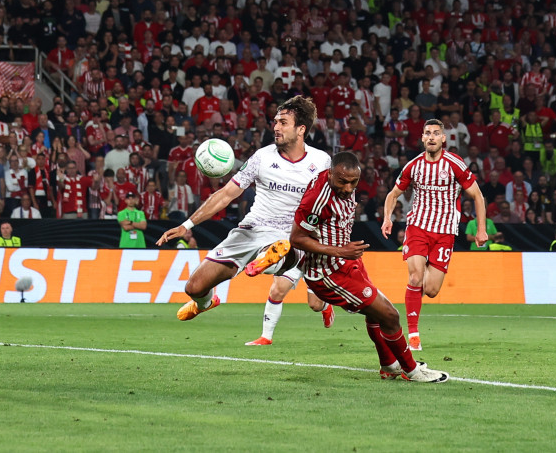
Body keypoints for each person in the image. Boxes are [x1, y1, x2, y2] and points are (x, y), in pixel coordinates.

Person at [157, 97, 334, 341]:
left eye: (283, 123)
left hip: (293, 234)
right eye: (275, 122)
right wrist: (187, 225)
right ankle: (207, 302)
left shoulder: (321, 162)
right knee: (194, 287)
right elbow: (226, 194)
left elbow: (328, 203)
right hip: (252, 230)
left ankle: (270, 261)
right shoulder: (261, 157)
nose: (276, 127)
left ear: (301, 129)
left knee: (302, 280)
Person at [290, 151, 447, 382]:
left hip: (347, 262)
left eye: (353, 182)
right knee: (390, 315)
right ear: (331, 173)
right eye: (342, 181)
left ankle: (389, 366)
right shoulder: (317, 198)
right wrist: (340, 251)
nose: (347, 188)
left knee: (376, 314)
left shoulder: (343, 185)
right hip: (329, 273)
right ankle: (412, 371)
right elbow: (296, 238)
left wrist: (345, 253)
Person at [380, 119, 487, 352]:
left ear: (443, 139)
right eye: (427, 133)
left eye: (436, 133)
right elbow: (393, 193)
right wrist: (387, 218)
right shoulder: (413, 165)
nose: (431, 137)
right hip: (418, 226)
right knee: (415, 278)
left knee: (430, 290)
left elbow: (477, 196)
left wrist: (481, 229)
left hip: (445, 232)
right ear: (422, 138)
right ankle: (414, 335)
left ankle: (413, 298)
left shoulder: (455, 164)